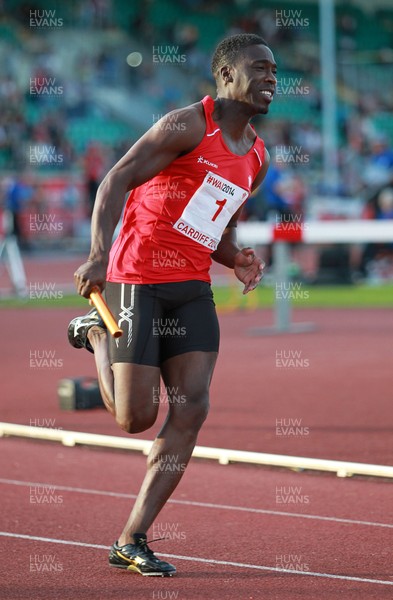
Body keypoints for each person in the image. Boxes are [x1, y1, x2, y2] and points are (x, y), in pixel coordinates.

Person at [68, 32, 277, 576]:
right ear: (227, 75)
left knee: (193, 406)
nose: (273, 78)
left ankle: (132, 538)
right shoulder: (186, 126)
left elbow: (216, 223)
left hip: (191, 287)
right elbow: (115, 180)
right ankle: (97, 333)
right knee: (134, 418)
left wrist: (236, 258)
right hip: (137, 277)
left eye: (276, 70)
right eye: (260, 68)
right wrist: (96, 255)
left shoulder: (257, 157)